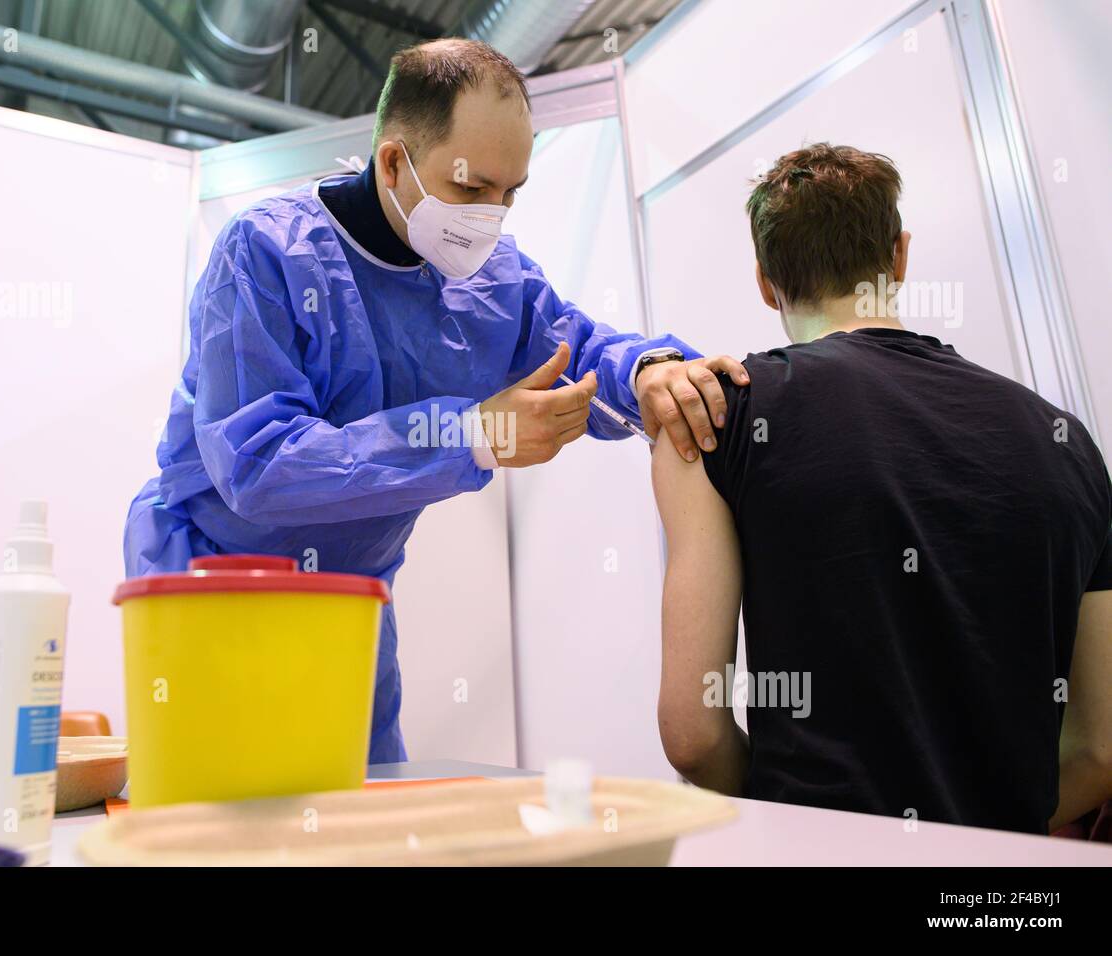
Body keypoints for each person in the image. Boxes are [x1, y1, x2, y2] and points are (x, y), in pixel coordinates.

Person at [124, 38, 751, 764]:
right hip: (212, 590)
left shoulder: (491, 280)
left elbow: (574, 346)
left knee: (360, 819)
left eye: (511, 193)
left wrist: (648, 371)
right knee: (218, 828)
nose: (493, 216)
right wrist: (472, 436)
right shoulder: (264, 256)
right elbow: (259, 465)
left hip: (352, 606)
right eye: (474, 188)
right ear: (393, 162)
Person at [652, 143, 1112, 834]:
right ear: (899, 257)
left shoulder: (715, 415)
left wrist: (795, 821)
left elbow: (693, 733)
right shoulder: (1067, 440)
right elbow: (1101, 751)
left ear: (766, 281)